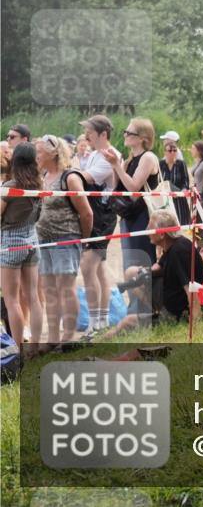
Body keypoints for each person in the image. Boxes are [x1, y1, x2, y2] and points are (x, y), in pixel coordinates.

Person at [35, 135, 92, 345]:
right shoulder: (42, 177)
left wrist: (82, 240)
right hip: (44, 240)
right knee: (49, 289)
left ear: (53, 153)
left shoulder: (70, 178)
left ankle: (68, 337)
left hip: (66, 238)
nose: (37, 156)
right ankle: (52, 338)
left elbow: (87, 213)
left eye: (40, 152)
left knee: (66, 289)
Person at [76, 114, 120, 335]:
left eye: (91, 132)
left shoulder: (111, 155)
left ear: (103, 133)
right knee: (99, 269)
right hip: (95, 213)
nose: (87, 136)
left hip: (103, 215)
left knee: (88, 267)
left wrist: (68, 175)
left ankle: (95, 321)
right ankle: (101, 320)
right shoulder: (94, 153)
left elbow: (86, 179)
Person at [0, 143, 43, 353]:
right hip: (32, 240)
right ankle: (34, 346)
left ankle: (17, 350)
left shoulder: (10, 186)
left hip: (10, 243)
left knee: (12, 299)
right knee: (33, 296)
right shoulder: (39, 186)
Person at [102, 118, 159, 273]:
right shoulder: (129, 160)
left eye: (129, 132)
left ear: (143, 138)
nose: (125, 135)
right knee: (130, 264)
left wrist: (116, 165)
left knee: (142, 262)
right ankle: (136, 297)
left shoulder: (148, 157)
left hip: (145, 217)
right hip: (130, 216)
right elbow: (117, 187)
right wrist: (115, 166)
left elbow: (134, 187)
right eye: (125, 132)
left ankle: (145, 297)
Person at [159, 137, 191, 226]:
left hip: (178, 199)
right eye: (170, 151)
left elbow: (186, 181)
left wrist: (183, 190)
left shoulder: (181, 164)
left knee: (181, 224)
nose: (173, 153)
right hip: (165, 200)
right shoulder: (160, 164)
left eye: (175, 150)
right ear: (164, 152)